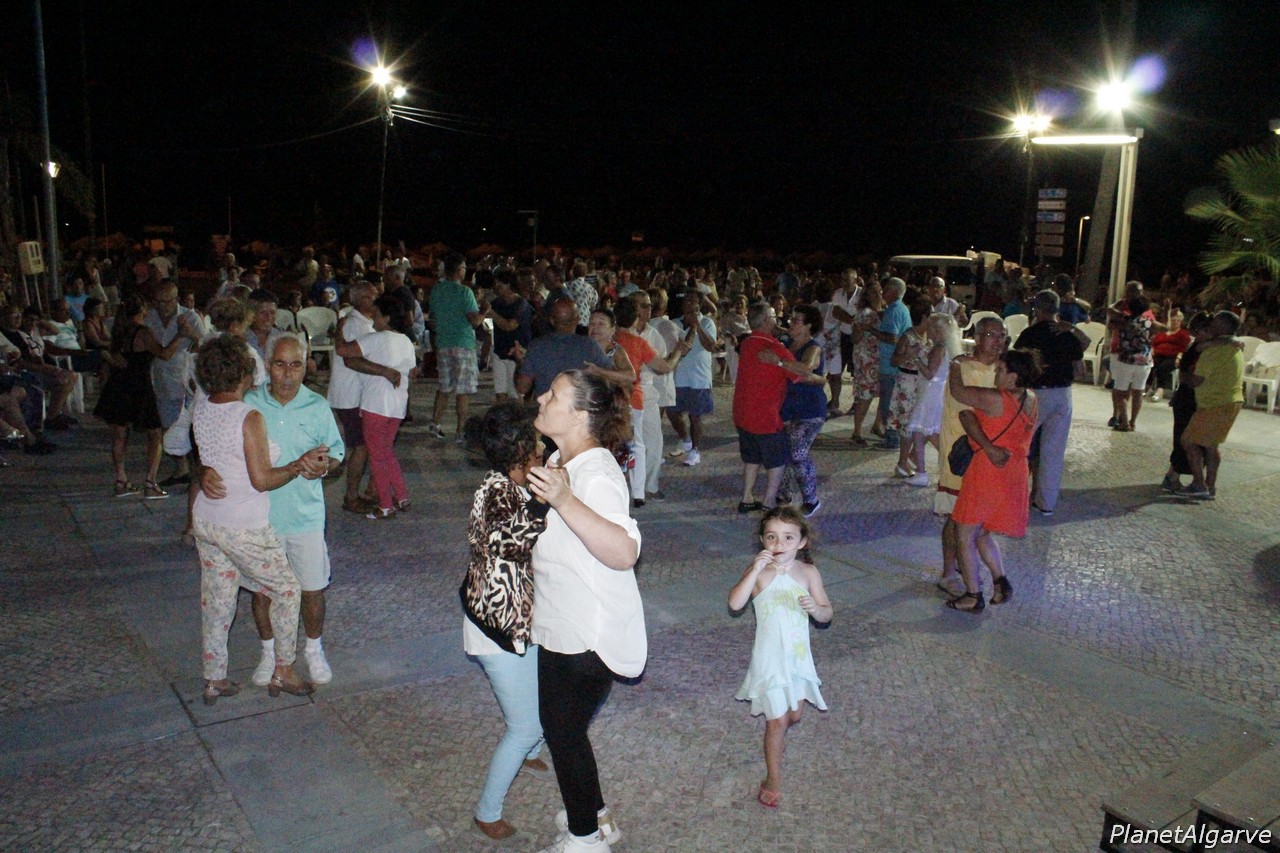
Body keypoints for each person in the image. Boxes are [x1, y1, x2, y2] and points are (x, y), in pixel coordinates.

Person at [525, 370, 643, 853]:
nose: (540, 397)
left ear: (578, 416)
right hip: (562, 620)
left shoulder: (596, 474)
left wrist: (565, 500)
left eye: (553, 395)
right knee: (565, 731)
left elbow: (624, 551)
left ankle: (585, 840)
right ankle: (596, 818)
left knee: (563, 734)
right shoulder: (560, 458)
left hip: (586, 633)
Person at [200, 335, 346, 688]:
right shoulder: (248, 403)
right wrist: (203, 471)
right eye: (279, 364)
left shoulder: (317, 406)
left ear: (307, 366)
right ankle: (269, 653)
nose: (287, 373)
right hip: (260, 520)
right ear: (266, 366)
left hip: (305, 515)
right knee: (262, 593)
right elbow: (215, 442)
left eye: (295, 365)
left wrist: (326, 466)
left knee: (312, 589)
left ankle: (313, 650)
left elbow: (337, 454)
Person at [461, 403, 552, 841]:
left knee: (541, 691)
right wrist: (542, 503)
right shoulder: (497, 490)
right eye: (536, 441)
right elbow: (511, 544)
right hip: (497, 627)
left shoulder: (510, 482)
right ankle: (487, 811)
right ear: (519, 450)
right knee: (524, 725)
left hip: (517, 618)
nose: (543, 446)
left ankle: (531, 752)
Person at [728, 505, 832, 809]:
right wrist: (754, 570)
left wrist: (816, 609)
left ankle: (779, 738)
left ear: (802, 542)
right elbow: (735, 604)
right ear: (763, 540)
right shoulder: (759, 573)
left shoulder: (808, 573)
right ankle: (772, 778)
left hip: (798, 659)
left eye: (788, 537)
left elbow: (827, 613)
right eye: (772, 536)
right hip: (769, 661)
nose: (779, 544)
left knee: (793, 716)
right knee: (777, 722)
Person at [944, 349, 1042, 613]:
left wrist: (955, 363)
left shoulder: (996, 399)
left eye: (1000, 370)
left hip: (988, 472)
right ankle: (1001, 581)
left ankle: (972, 595)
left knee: (965, 533)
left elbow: (958, 391)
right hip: (1015, 472)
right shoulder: (1032, 399)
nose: (996, 374)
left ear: (1013, 376)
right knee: (983, 531)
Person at [95, 294, 199, 498]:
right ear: (142, 310)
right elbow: (164, 354)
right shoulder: (142, 332)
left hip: (118, 384)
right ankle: (150, 482)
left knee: (120, 434)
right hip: (138, 386)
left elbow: (108, 350)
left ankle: (121, 479)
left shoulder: (120, 331)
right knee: (155, 434)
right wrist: (180, 336)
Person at [933, 317, 1005, 596]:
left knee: (977, 518)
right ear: (976, 337)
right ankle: (949, 572)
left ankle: (967, 565)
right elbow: (966, 407)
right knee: (956, 515)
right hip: (961, 452)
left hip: (988, 454)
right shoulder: (961, 367)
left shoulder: (1003, 369)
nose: (997, 341)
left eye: (1001, 335)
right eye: (990, 334)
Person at [334, 296, 417, 519]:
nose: (373, 319)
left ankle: (385, 505)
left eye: (377, 315)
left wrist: (339, 329)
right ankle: (402, 496)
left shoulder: (377, 338)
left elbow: (343, 350)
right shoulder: (406, 341)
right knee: (386, 452)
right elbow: (412, 372)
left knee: (377, 457)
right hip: (397, 406)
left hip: (376, 405)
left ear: (387, 318)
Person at [1014, 289, 1090, 516]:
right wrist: (1072, 329)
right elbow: (1081, 364)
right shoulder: (1066, 334)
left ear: (1037, 309)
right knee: (1053, 452)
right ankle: (1046, 503)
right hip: (1062, 394)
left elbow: (1018, 365)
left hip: (1036, 394)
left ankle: (1015, 496)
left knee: (1020, 446)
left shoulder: (1029, 334)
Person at [734, 302, 811, 513]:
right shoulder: (775, 348)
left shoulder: (747, 343)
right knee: (776, 460)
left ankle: (746, 497)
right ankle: (769, 500)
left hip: (742, 412)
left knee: (752, 457)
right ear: (767, 321)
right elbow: (802, 372)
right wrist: (781, 361)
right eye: (775, 317)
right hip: (766, 415)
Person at [1179, 310, 1245, 499]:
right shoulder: (1233, 347)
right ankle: (1210, 485)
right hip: (1231, 401)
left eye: (1215, 322)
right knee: (1210, 445)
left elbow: (1196, 380)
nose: (1210, 324)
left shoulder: (1214, 351)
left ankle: (1199, 484)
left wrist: (1183, 376)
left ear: (1222, 326)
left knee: (1188, 441)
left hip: (1215, 404)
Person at [329, 280, 380, 514]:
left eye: (375, 294)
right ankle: (351, 497)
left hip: (357, 395)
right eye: (369, 296)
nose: (374, 299)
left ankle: (364, 492)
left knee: (365, 446)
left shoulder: (364, 322)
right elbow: (351, 360)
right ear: (357, 299)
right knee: (360, 447)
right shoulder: (352, 324)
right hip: (349, 395)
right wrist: (385, 371)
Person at [778, 305, 829, 517]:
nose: (791, 322)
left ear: (809, 326)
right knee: (785, 451)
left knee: (797, 453)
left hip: (810, 410)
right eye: (792, 319)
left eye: (797, 320)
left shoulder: (813, 347)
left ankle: (811, 499)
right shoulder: (785, 345)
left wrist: (779, 362)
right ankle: (784, 494)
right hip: (787, 408)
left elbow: (806, 368)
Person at [427, 253, 484, 442]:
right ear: (459, 270)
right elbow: (474, 321)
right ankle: (460, 430)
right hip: (463, 344)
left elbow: (433, 318)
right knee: (462, 390)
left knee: (444, 386)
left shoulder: (436, 290)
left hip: (443, 343)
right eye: (464, 268)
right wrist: (485, 310)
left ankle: (435, 423)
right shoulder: (465, 292)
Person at [903, 313, 963, 488]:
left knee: (926, 430)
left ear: (936, 330)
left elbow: (930, 373)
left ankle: (949, 464)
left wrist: (914, 357)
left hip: (931, 392)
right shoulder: (948, 347)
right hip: (937, 391)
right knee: (922, 431)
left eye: (929, 328)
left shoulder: (939, 348)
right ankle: (922, 471)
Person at [1160, 312, 1213, 494]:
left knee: (1188, 441)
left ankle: (1172, 476)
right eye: (1208, 330)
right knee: (1185, 441)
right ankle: (1173, 477)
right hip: (1187, 399)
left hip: (1192, 399)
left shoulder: (1201, 346)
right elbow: (1185, 376)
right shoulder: (1197, 347)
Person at [665, 291, 719, 467]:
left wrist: (697, 327)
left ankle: (695, 450)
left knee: (695, 416)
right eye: (686, 301)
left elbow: (710, 346)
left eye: (693, 301)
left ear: (699, 305)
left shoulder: (707, 322)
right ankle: (685, 439)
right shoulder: (675, 324)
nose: (689, 303)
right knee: (672, 412)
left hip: (699, 378)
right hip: (678, 376)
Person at [1106, 280, 1164, 432]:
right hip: (1144, 361)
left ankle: (1123, 421)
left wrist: (1117, 305)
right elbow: (1164, 328)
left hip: (1126, 359)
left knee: (1120, 392)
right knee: (1138, 392)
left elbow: (1110, 315)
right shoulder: (1148, 321)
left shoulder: (1124, 318)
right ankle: (1132, 423)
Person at [887, 299, 932, 479]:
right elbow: (894, 360)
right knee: (908, 424)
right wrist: (908, 355)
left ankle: (908, 458)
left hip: (922, 382)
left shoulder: (928, 335)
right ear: (924, 317)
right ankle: (902, 462)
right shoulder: (908, 336)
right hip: (908, 382)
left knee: (923, 422)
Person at [873, 278, 912, 450]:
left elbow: (892, 337)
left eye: (886, 289)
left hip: (891, 365)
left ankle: (891, 439)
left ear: (895, 291)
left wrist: (870, 330)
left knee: (888, 403)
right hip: (894, 364)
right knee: (892, 402)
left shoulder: (894, 310)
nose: (883, 292)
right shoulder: (899, 308)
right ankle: (893, 436)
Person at [488, 268, 533, 403]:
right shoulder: (497, 303)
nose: (496, 286)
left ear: (509, 284)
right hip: (500, 350)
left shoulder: (521, 304)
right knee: (500, 392)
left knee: (517, 394)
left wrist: (492, 314)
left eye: (500, 283)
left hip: (516, 353)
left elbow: (510, 325)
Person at [1148, 307, 1192, 401]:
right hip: (1158, 355)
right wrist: (1152, 350)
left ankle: (1160, 390)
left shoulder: (1183, 334)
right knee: (1149, 364)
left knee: (1163, 367)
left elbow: (1185, 348)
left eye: (1177, 320)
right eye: (1173, 320)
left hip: (1173, 357)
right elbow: (1153, 344)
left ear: (1180, 322)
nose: (1175, 322)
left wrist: (1179, 357)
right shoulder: (1162, 333)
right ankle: (1148, 386)